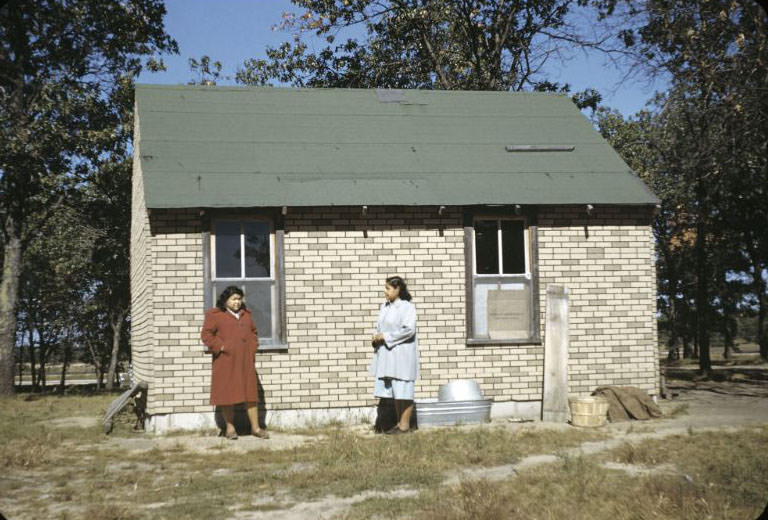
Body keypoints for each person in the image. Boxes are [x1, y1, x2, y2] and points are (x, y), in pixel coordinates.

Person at [201, 286, 269, 440]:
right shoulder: (215, 315)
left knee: (250, 394)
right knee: (227, 394)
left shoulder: (246, 315)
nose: (237, 302)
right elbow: (206, 334)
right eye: (234, 299)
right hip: (225, 360)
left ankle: (256, 428)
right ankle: (230, 429)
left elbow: (253, 333)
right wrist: (221, 347)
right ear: (225, 300)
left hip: (245, 360)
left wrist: (252, 348)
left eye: (239, 299)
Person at [370, 276, 420, 434]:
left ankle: (405, 426)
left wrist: (386, 336)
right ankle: (400, 424)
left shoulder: (407, 307)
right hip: (388, 356)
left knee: (404, 390)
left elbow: (408, 330)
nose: (385, 291)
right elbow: (380, 327)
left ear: (398, 289)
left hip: (403, 356)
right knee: (396, 392)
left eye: (388, 288)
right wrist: (376, 336)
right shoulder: (384, 307)